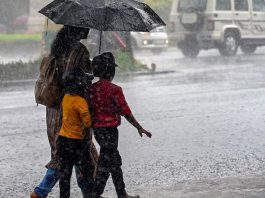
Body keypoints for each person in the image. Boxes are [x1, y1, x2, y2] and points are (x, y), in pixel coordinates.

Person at [30, 25, 98, 198]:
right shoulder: (79, 50)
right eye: (85, 27)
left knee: (62, 151)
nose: (88, 30)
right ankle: (42, 191)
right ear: (78, 31)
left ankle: (87, 193)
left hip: (54, 110)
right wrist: (94, 69)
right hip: (72, 110)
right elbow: (82, 79)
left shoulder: (55, 50)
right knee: (82, 152)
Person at [90, 52, 152, 198]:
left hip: (98, 131)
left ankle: (121, 193)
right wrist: (139, 127)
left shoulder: (91, 89)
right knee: (106, 162)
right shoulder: (115, 90)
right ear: (111, 71)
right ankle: (96, 194)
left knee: (113, 160)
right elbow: (126, 112)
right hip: (111, 132)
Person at [57, 67, 95, 198]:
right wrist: (92, 112)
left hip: (62, 141)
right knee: (88, 171)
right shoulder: (81, 102)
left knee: (65, 176)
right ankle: (90, 195)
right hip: (77, 143)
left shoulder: (66, 98)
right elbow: (88, 123)